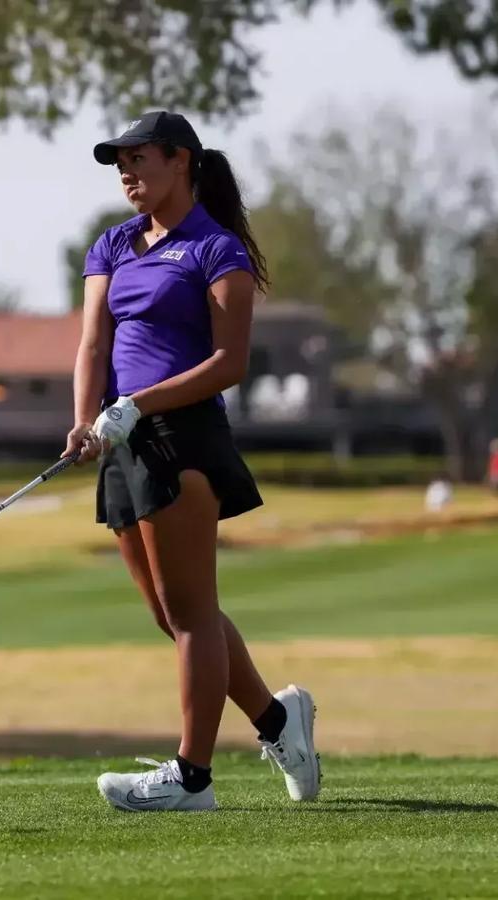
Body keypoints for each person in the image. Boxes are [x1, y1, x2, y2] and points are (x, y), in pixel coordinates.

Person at [65, 111, 321, 812]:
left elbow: (228, 363)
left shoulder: (217, 249)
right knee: (172, 613)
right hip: (124, 440)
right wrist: (87, 418)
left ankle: (192, 777)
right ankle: (276, 720)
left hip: (183, 439)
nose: (126, 171)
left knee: (190, 615)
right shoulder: (113, 245)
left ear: (181, 161)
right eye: (119, 161)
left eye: (138, 158)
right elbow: (93, 343)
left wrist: (140, 403)